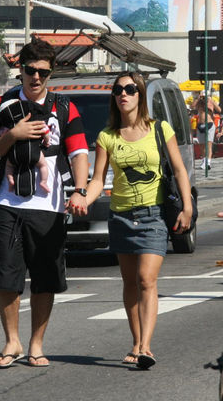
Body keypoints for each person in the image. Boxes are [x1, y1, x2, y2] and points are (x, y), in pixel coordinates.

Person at [0, 38, 89, 368]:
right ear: (21, 70)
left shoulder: (64, 107)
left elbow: (79, 153)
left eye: (43, 72)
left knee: (45, 277)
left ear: (50, 73)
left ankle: (36, 344)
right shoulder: (2, 105)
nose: (37, 77)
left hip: (50, 204)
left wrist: (80, 190)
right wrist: (13, 135)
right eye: (31, 70)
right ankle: (11, 341)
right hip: (8, 201)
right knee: (6, 274)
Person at [82, 71, 193, 369]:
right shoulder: (107, 136)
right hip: (120, 216)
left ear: (140, 95)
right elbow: (97, 180)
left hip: (153, 215)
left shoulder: (160, 129)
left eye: (131, 89)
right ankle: (136, 341)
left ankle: (146, 346)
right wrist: (84, 198)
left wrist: (187, 206)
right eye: (119, 90)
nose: (124, 94)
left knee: (147, 280)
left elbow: (180, 171)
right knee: (130, 282)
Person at [191, 90, 221, 170]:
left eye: (205, 97)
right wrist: (198, 98)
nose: (204, 98)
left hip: (209, 124)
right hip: (200, 124)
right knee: (201, 145)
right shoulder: (199, 102)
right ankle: (204, 161)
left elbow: (219, 110)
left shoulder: (211, 101)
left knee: (208, 144)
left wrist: (212, 102)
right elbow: (192, 106)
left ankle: (208, 162)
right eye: (203, 97)